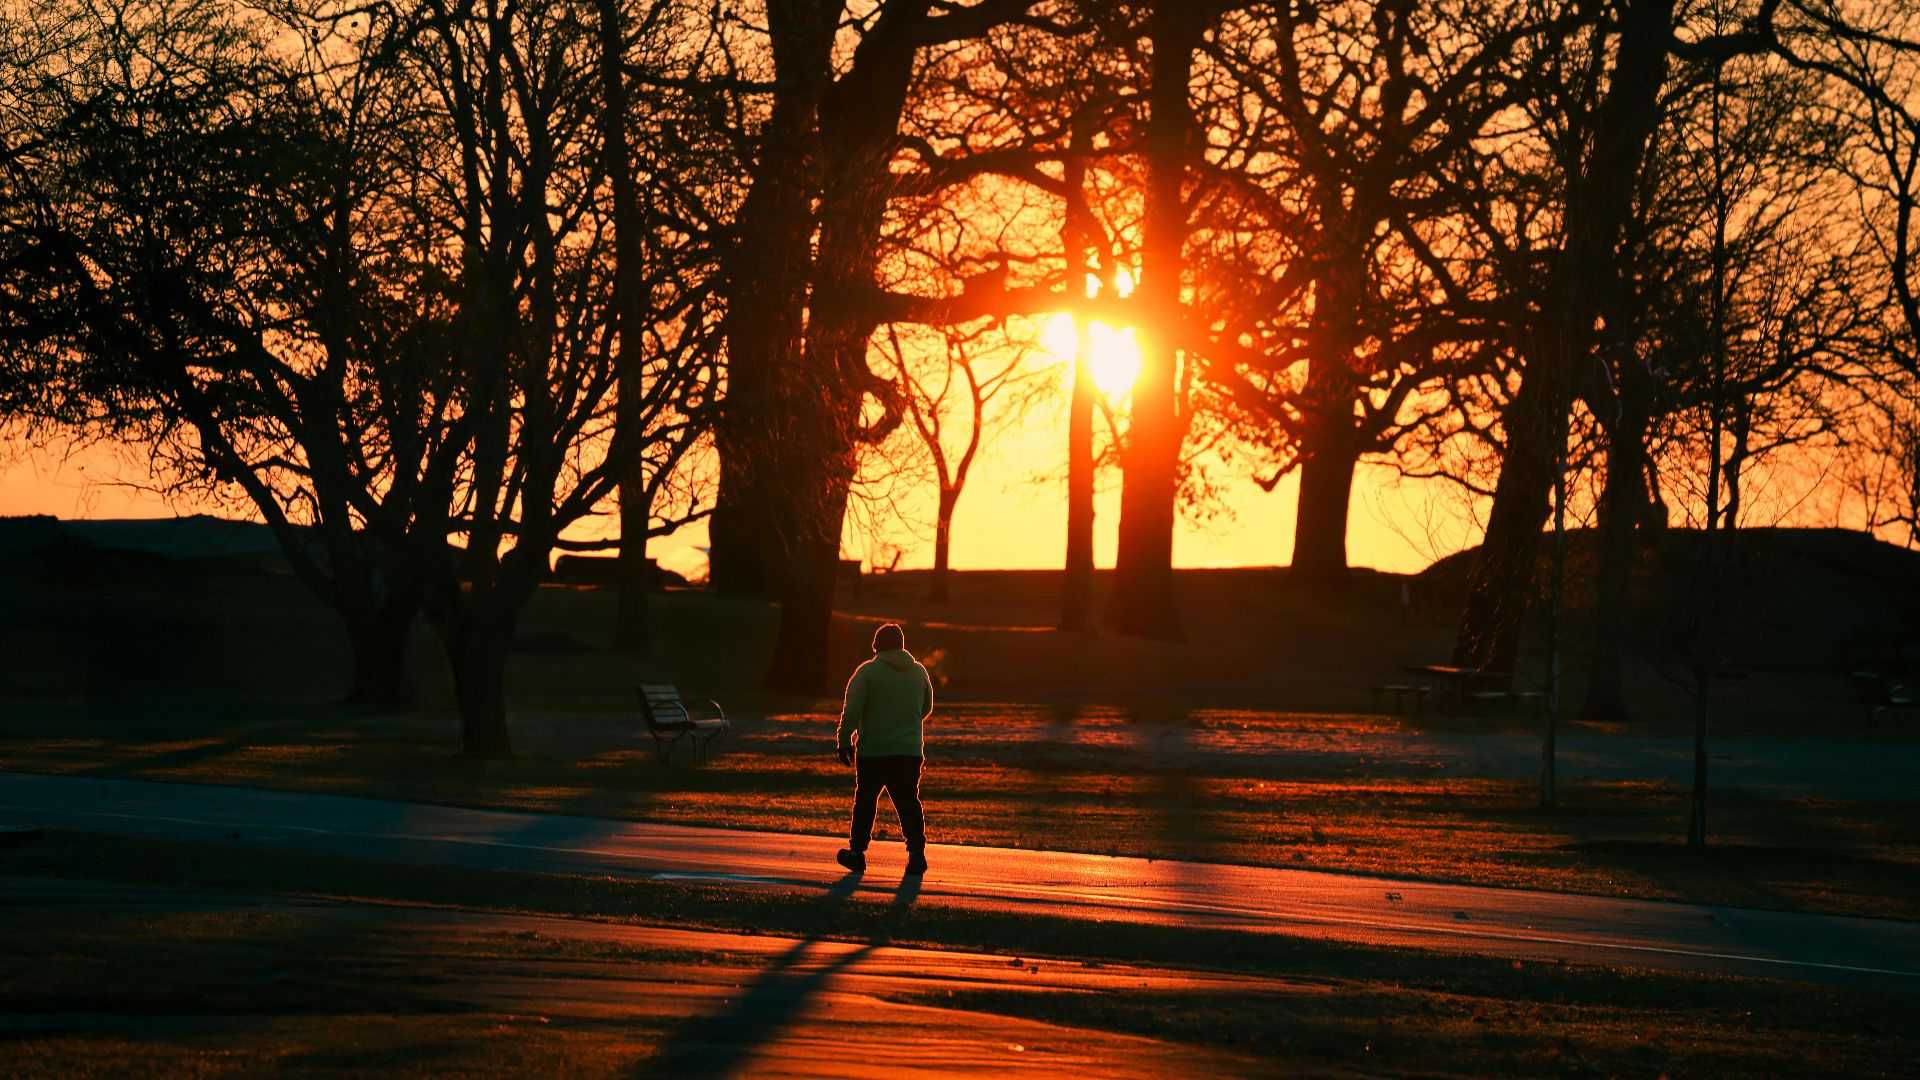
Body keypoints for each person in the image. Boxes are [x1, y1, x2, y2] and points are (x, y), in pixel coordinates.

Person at [835, 622, 933, 874]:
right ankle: (916, 855)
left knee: (866, 801)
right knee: (908, 802)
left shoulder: (867, 672)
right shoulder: (919, 672)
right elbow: (926, 708)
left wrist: (844, 740)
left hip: (874, 750)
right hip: (909, 751)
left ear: (876, 646)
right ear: (902, 646)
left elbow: (852, 711)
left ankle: (857, 853)